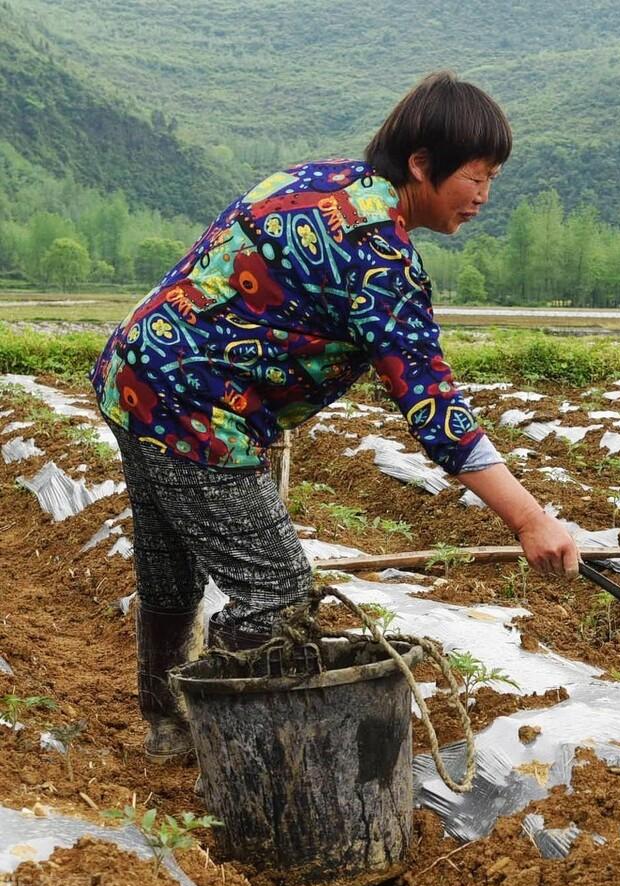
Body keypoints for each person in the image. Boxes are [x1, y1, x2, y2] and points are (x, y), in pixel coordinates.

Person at [91, 71, 580, 763]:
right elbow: (434, 406)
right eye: (478, 176)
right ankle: (240, 764)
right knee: (276, 595)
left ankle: (171, 728)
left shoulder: (318, 179)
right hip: (193, 414)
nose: (484, 196)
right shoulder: (379, 253)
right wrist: (530, 519)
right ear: (421, 164)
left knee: (171, 572)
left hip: (135, 373)